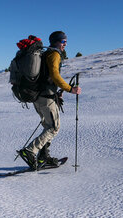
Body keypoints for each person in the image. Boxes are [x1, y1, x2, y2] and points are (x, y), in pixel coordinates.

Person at [19, 31, 81, 169]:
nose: (65, 44)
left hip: (39, 96)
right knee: (53, 128)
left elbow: (46, 77)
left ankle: (43, 157)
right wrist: (70, 89)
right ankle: (30, 151)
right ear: (57, 42)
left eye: (66, 41)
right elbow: (54, 75)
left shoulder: (45, 54)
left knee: (48, 127)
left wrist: (56, 92)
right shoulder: (54, 54)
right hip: (45, 98)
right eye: (63, 41)